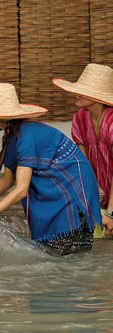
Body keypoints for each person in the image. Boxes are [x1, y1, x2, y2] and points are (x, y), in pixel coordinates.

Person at [0, 82, 102, 256]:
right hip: (59, 193)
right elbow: (6, 181)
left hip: (71, 196)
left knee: (65, 256)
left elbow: (21, 190)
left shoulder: (27, 135)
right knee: (55, 256)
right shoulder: (12, 136)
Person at [53, 63, 113, 237]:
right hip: (105, 195)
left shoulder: (111, 122)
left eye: (82, 90)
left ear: (97, 97)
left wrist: (110, 212)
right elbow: (83, 168)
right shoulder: (80, 119)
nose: (75, 93)